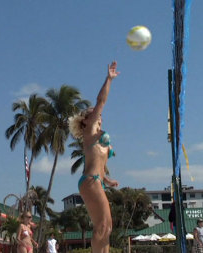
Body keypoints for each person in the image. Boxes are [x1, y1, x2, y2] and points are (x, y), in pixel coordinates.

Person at [68, 61, 120, 253]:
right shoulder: (90, 132)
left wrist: (107, 179)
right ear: (86, 121)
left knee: (106, 227)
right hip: (90, 181)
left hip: (96, 180)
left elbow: (97, 162)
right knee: (103, 226)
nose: (98, 113)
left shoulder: (99, 139)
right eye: (93, 113)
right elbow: (101, 101)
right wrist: (109, 79)